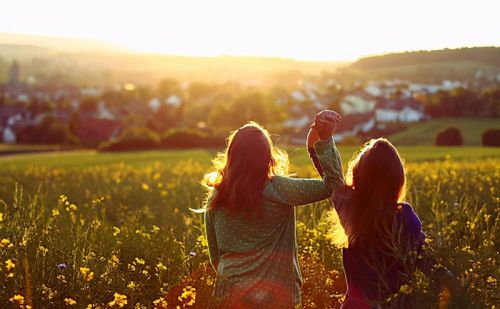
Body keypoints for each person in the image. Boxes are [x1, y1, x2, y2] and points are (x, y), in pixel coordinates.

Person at [307, 115, 460, 308]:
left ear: (357, 174)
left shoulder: (349, 207)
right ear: (397, 179)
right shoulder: (404, 215)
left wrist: (322, 133)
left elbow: (322, 161)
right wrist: (454, 283)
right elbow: (426, 260)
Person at [199, 114, 343, 308]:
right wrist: (324, 140)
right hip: (277, 298)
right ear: (268, 156)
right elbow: (333, 186)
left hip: (229, 296)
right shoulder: (278, 189)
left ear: (231, 156)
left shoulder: (216, 197)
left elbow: (215, 258)